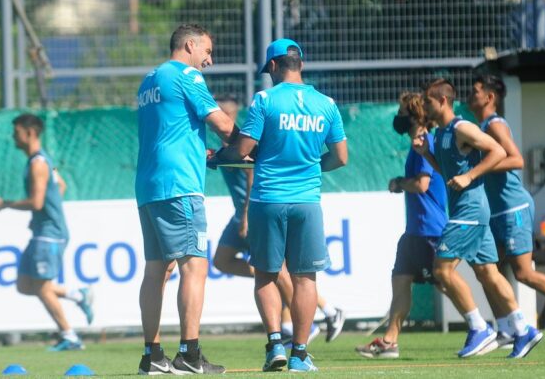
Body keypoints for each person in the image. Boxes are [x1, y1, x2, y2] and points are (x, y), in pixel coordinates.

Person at [218, 38, 348, 372]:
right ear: (300, 64)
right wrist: (309, 166)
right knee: (306, 279)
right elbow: (340, 158)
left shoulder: (265, 99)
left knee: (266, 275)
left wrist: (218, 158)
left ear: (274, 66)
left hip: (268, 199)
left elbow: (244, 147)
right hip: (307, 201)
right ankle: (300, 355)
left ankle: (275, 345)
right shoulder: (327, 104)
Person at [413, 78, 542, 359]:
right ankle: (523, 329)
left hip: (470, 210)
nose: (424, 106)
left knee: (442, 271)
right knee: (487, 272)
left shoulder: (462, 127)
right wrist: (427, 155)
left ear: (443, 101)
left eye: (428, 102)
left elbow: (499, 151)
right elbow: (450, 174)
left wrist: (471, 175)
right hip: (468, 210)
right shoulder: (444, 132)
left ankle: (478, 327)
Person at [135, 23, 237, 375]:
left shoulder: (149, 79)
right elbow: (223, 124)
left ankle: (153, 355)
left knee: (156, 270)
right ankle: (189, 355)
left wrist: (200, 152)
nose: (209, 60)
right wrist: (251, 146)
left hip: (149, 186)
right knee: (194, 266)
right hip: (179, 186)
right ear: (189, 45)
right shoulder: (186, 76)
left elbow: (171, 130)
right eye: (206, 51)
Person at [468, 74, 545, 349]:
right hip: (497, 211)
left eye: (476, 91)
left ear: (490, 97)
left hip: (513, 207)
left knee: (523, 273)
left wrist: (477, 169)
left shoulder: (495, 124)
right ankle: (504, 328)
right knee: (487, 270)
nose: (470, 95)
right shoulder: (480, 126)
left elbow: (516, 159)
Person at [355, 92, 448, 359]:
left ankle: (485, 326)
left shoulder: (424, 142)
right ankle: (389, 342)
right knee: (400, 279)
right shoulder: (416, 144)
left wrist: (398, 184)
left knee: (446, 283)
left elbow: (422, 184)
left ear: (415, 115)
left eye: (401, 113)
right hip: (415, 230)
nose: (398, 118)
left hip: (430, 229)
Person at [0, 113, 94, 352]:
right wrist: (48, 211)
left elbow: (37, 202)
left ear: (29, 133)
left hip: (49, 233)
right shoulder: (43, 160)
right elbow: (60, 186)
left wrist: (7, 204)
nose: (13, 137)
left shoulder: (38, 164)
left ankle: (69, 336)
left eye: (16, 132)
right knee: (24, 284)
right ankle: (78, 296)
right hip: (43, 230)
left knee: (41, 286)